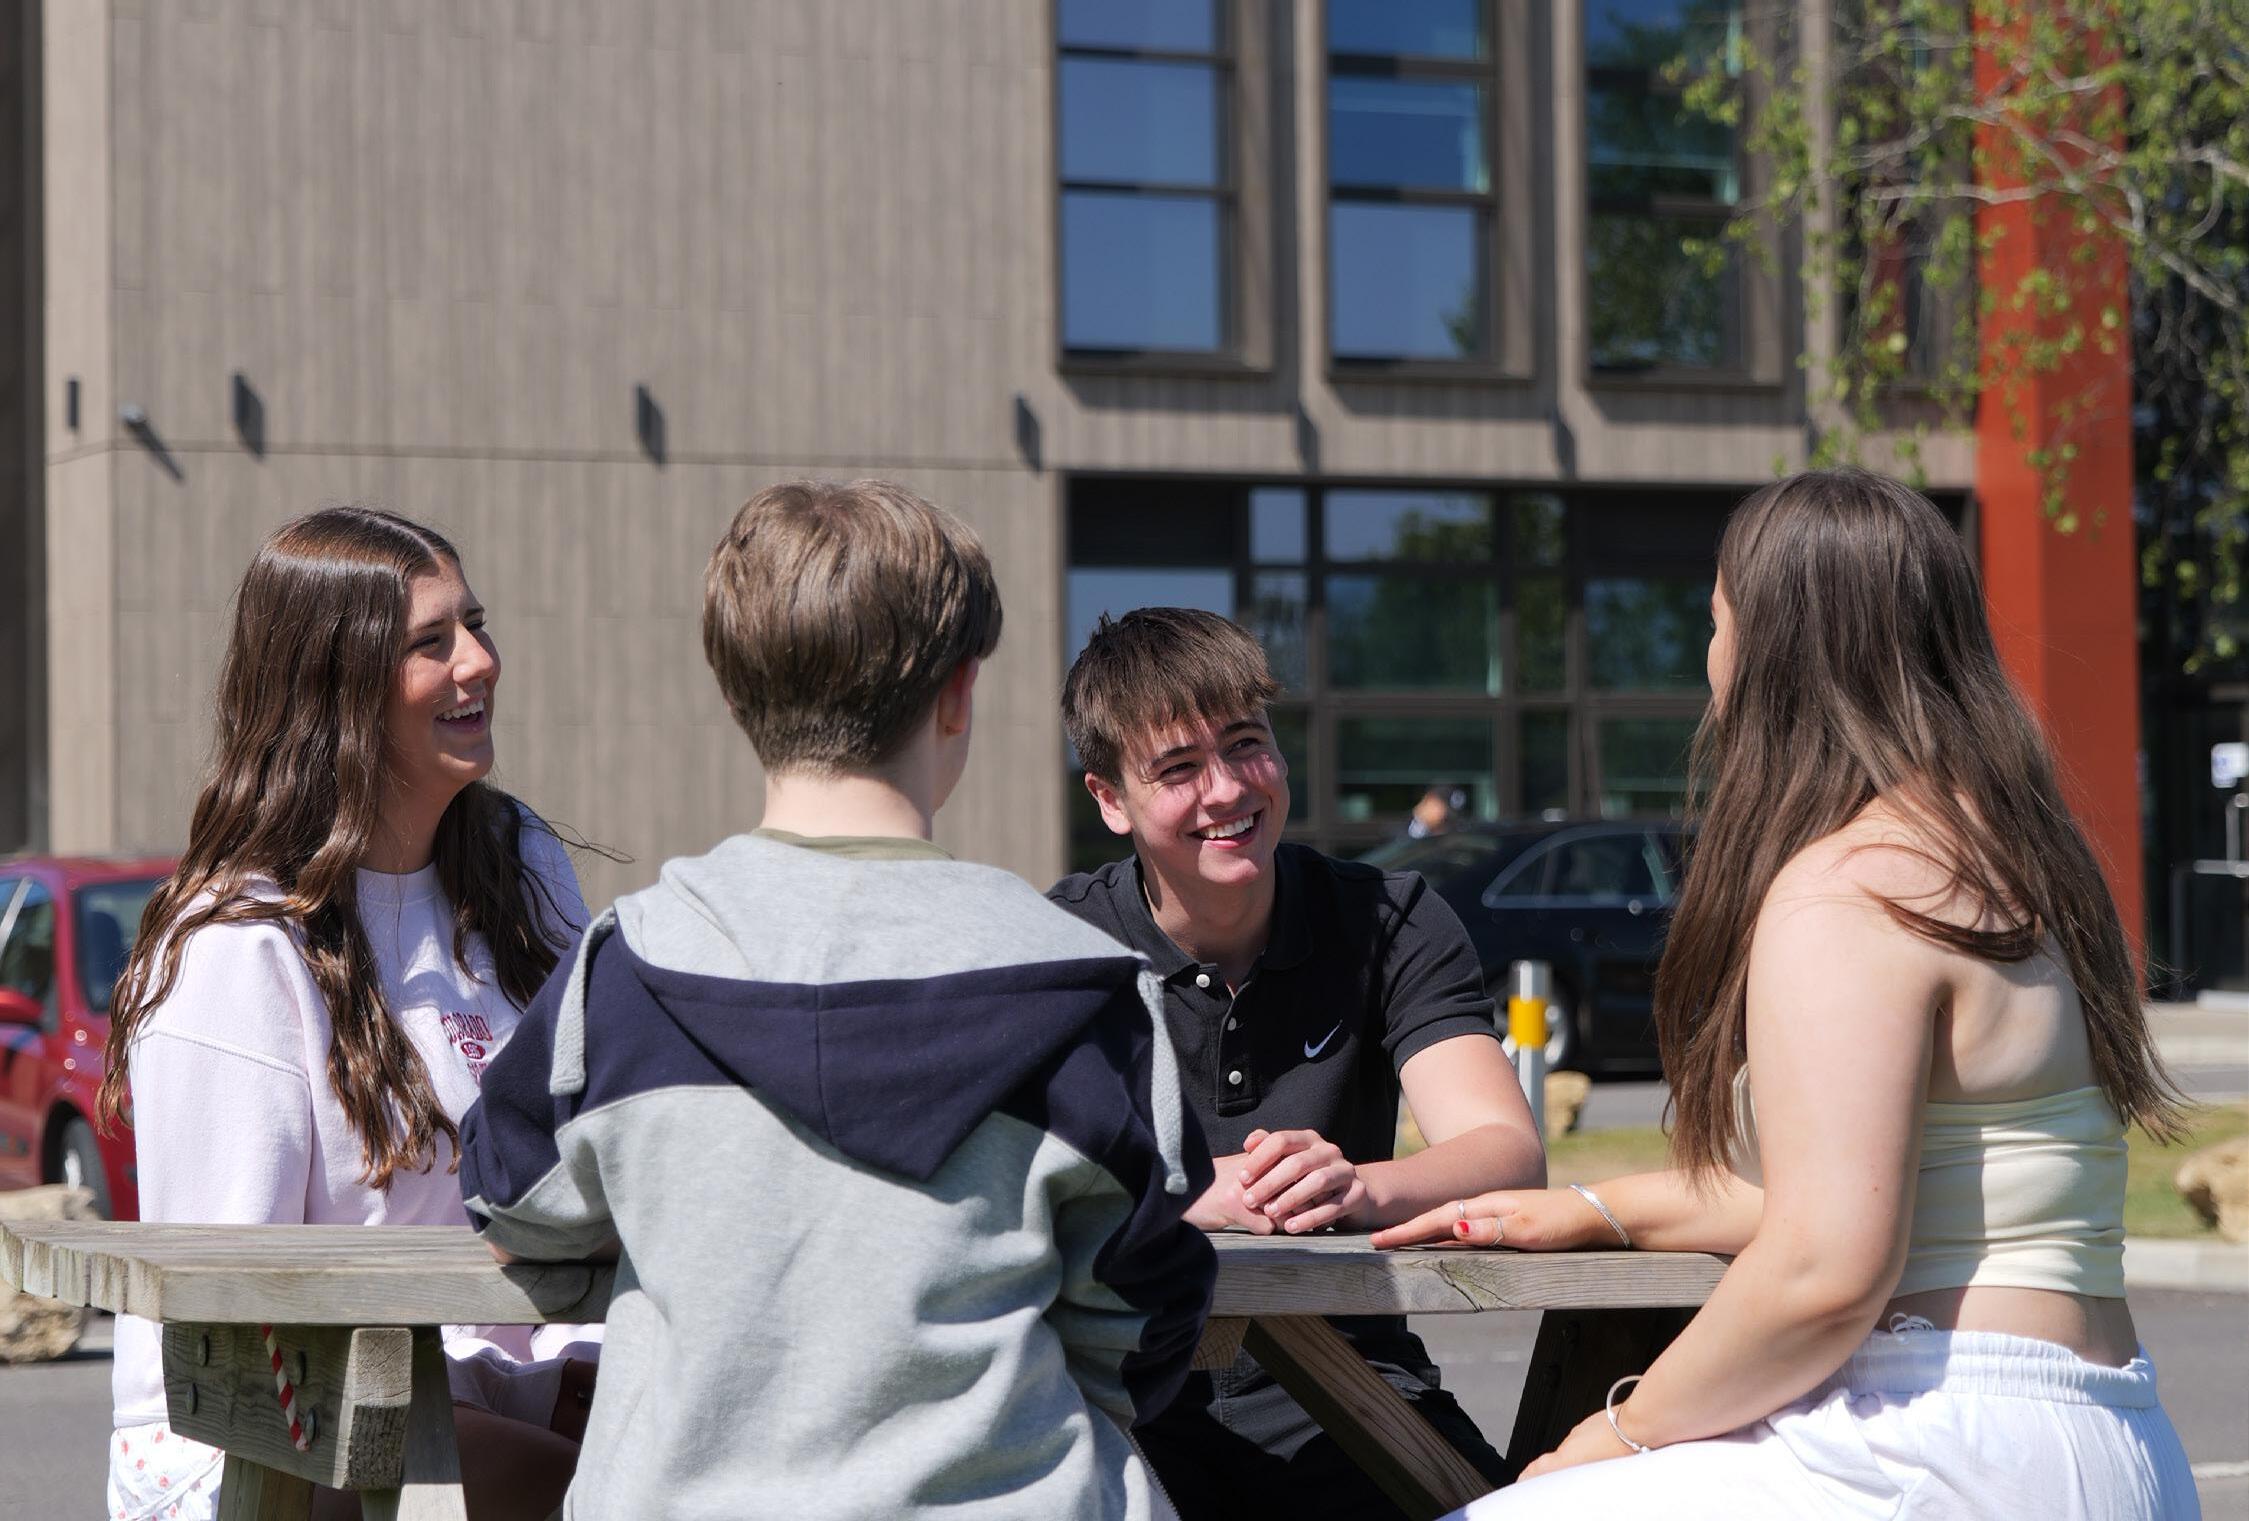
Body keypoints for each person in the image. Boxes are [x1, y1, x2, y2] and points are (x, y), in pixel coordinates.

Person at [1377, 468, 2200, 1520]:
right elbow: (1856, 1189)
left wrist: (1611, 1434)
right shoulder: (2008, 857)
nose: (1707, 656)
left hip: (1937, 1440)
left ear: (1775, 646)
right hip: (2101, 1434)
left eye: (1714, 620)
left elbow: (1822, 1270)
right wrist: (1592, 1208)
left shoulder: (1853, 885)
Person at [457, 479, 1216, 1521]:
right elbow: (1140, 1320)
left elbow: (514, 1215)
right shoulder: (1089, 990)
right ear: (958, 693)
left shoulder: (621, 973)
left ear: (734, 695)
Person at [98, 507, 599, 1521]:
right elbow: (232, 1315)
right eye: (430, 642)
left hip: (485, 1385)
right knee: (595, 1493)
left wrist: (575, 1364)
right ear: (335, 687)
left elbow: (592, 1163)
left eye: (475, 624)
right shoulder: (237, 943)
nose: (480, 661)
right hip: (255, 1432)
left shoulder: (522, 864)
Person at [1049, 608, 1547, 1521]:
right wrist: (1179, 1186)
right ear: (1110, 800)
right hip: (1120, 1395)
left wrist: (1357, 1186)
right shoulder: (1057, 947)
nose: (1226, 789)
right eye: (1177, 768)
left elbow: (1505, 1151)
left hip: (1353, 1388)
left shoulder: (1389, 918)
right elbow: (1005, 1188)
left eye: (1246, 744)